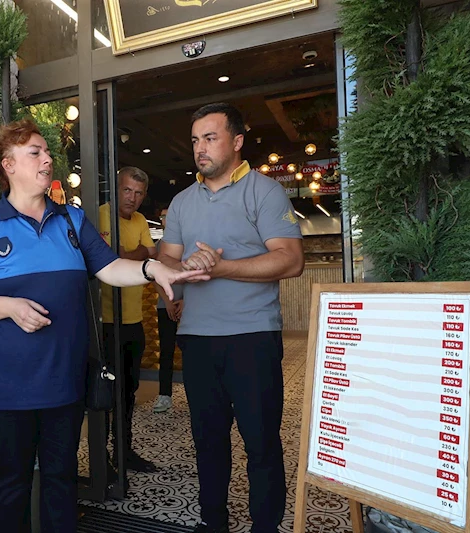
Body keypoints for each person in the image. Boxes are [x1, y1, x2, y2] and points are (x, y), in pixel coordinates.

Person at [0, 119, 206, 533]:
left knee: (61, 476)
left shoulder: (71, 220)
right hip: (9, 382)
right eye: (35, 152)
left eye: (47, 152)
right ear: (8, 164)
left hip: (64, 378)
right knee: (12, 478)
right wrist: (9, 306)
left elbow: (110, 268)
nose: (47, 159)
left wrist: (153, 268)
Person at [157, 103, 304, 533]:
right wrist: (181, 274)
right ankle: (213, 521)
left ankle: (265, 526)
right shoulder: (182, 202)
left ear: (237, 141)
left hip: (252, 336)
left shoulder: (264, 191)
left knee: (260, 441)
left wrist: (221, 268)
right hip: (197, 338)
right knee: (207, 439)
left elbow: (291, 259)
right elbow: (166, 259)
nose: (200, 148)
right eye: (195, 140)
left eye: (210, 138)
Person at [98, 167, 158, 473]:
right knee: (105, 393)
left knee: (129, 390)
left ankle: (123, 451)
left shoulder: (141, 221)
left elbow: (151, 252)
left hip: (133, 321)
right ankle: (101, 459)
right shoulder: (99, 216)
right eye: (127, 190)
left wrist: (128, 254)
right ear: (116, 188)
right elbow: (111, 259)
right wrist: (139, 254)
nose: (132, 198)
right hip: (105, 322)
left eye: (138, 193)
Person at [152, 207, 183, 414]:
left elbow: (195, 274)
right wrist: (168, 302)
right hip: (166, 306)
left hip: (189, 305)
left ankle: (197, 393)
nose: (166, 219)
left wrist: (185, 301)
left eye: (169, 216)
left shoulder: (187, 242)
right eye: (163, 216)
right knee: (166, 350)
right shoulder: (158, 246)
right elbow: (154, 278)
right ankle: (165, 396)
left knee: (193, 350)